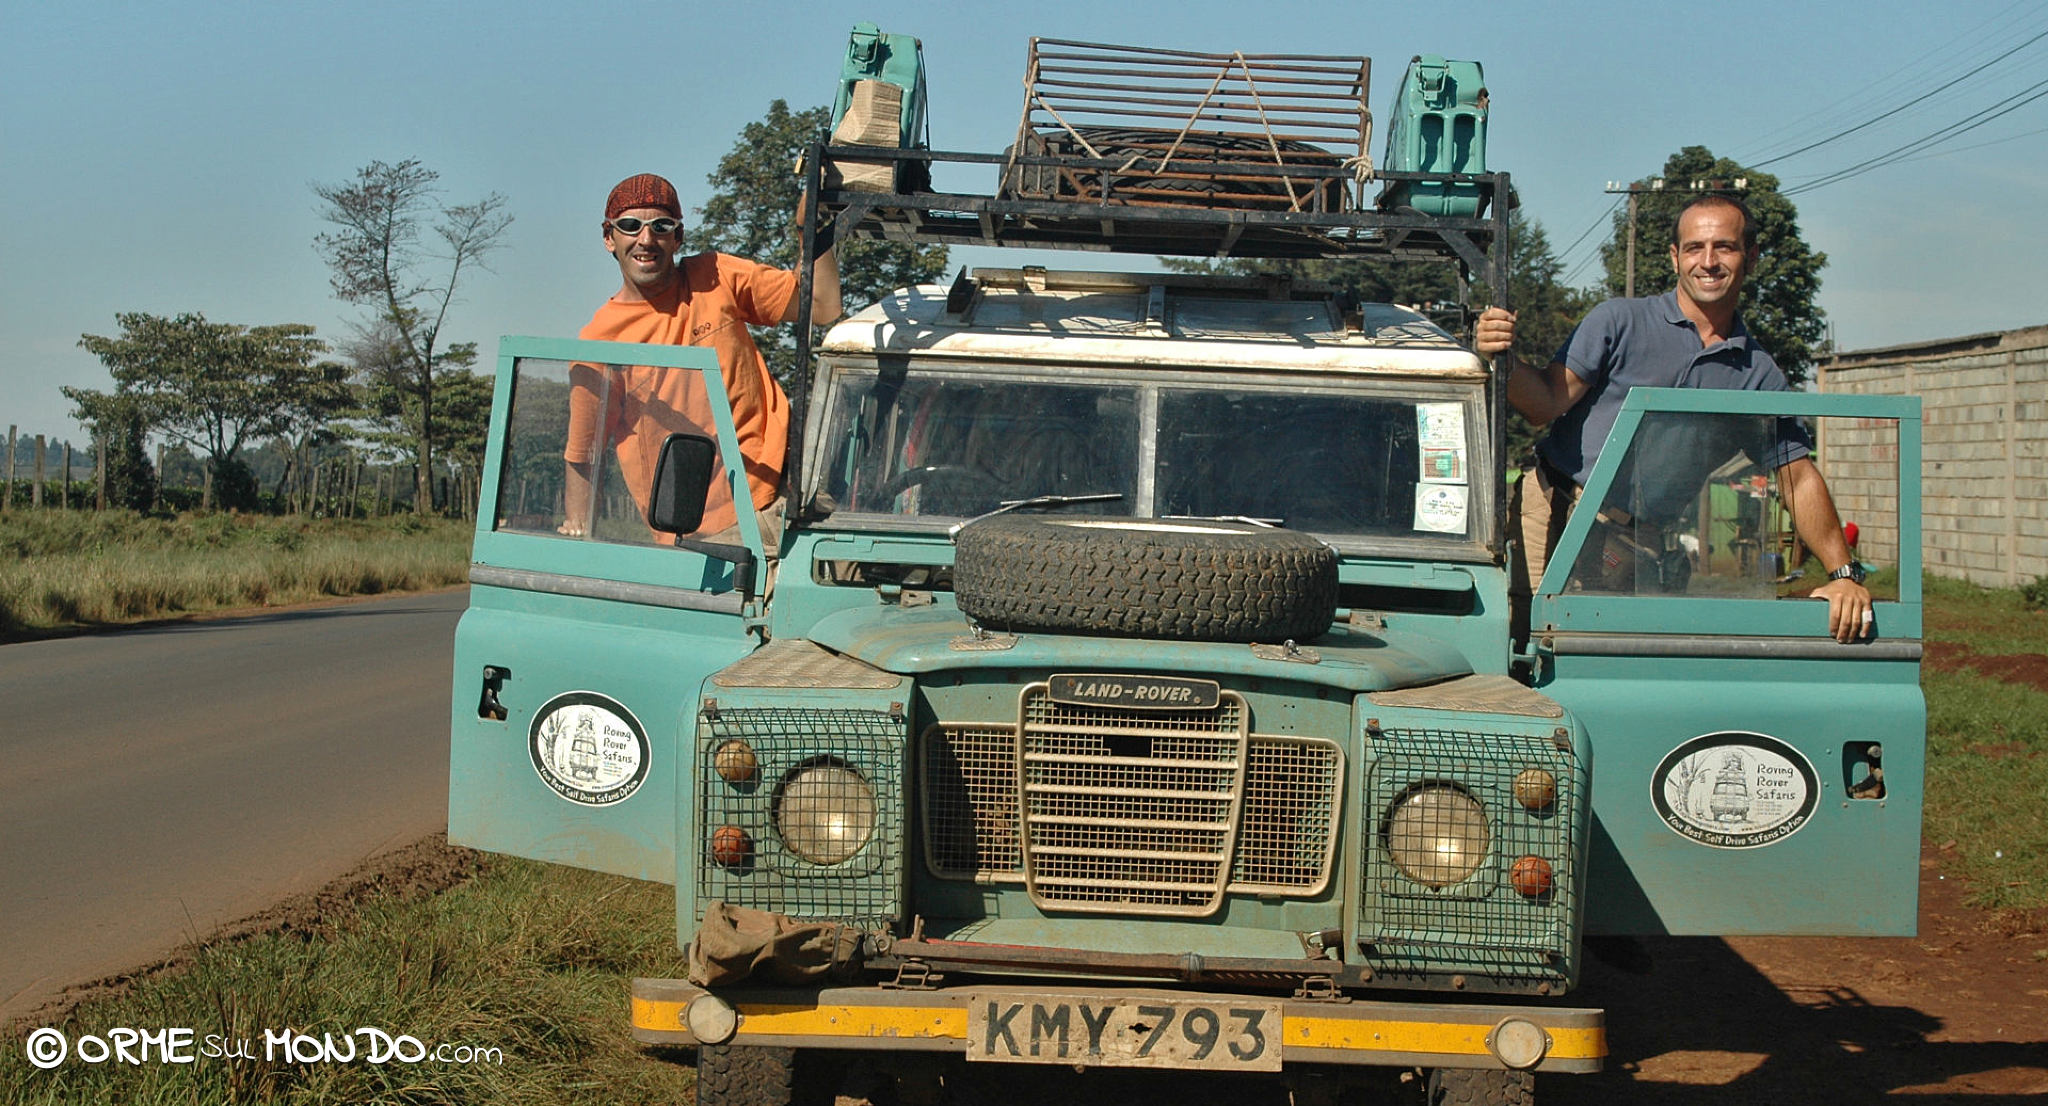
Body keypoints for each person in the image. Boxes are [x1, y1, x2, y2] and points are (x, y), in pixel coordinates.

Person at [1475, 194, 1873, 644]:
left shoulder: (1757, 373)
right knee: (1512, 651)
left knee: (1600, 669)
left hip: (1638, 547)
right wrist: (1500, 359)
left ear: (1752, 256)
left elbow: (1796, 478)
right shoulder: (1619, 321)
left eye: (1724, 247)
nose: (1708, 262)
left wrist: (1844, 575)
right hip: (1549, 513)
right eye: (1694, 248)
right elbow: (1544, 402)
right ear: (1674, 257)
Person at [561, 172, 843, 542]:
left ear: (678, 237)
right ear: (608, 238)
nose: (646, 239)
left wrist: (812, 224)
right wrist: (578, 536)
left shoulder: (715, 276)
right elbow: (584, 455)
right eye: (630, 226)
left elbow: (822, 306)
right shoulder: (599, 343)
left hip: (793, 489)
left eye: (661, 226)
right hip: (706, 531)